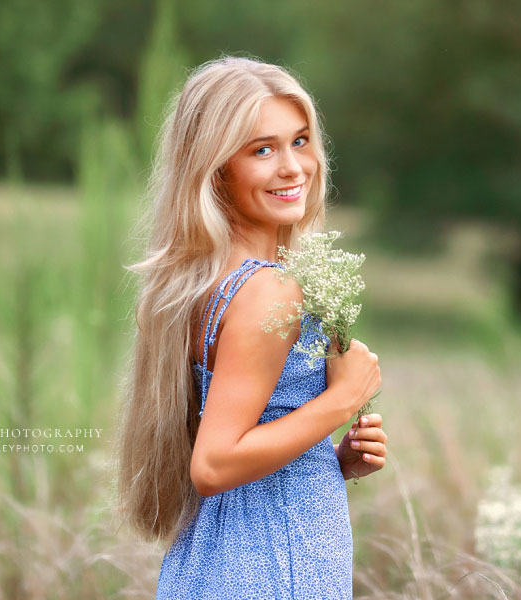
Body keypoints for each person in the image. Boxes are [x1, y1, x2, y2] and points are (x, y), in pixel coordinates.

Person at [115, 55, 387, 599]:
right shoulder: (268, 289)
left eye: (301, 140)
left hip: (218, 557)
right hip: (270, 568)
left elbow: (241, 441)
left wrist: (329, 461)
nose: (294, 167)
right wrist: (342, 400)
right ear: (216, 170)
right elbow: (213, 465)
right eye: (262, 150)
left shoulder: (205, 283)